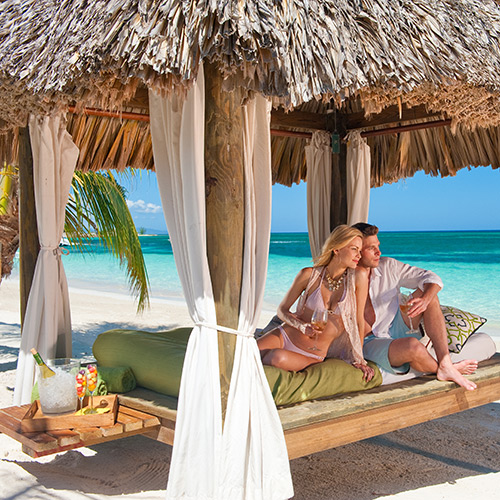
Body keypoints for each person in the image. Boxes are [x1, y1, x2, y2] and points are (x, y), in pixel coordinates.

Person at [352, 222, 485, 391]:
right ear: (356, 250)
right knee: (413, 348)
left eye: (378, 246)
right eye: (371, 248)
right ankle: (444, 370)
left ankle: (445, 361)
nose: (379, 252)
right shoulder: (345, 279)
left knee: (430, 294)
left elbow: (432, 277)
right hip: (372, 340)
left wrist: (425, 299)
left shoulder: (388, 266)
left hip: (397, 324)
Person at [257, 225, 374, 381]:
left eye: (360, 250)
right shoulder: (308, 275)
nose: (358, 255)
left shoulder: (358, 277)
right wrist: (301, 326)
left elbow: (359, 321)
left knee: (275, 358)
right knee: (246, 354)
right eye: (354, 249)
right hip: (285, 335)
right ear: (336, 249)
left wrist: (359, 359)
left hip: (313, 352)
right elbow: (282, 310)